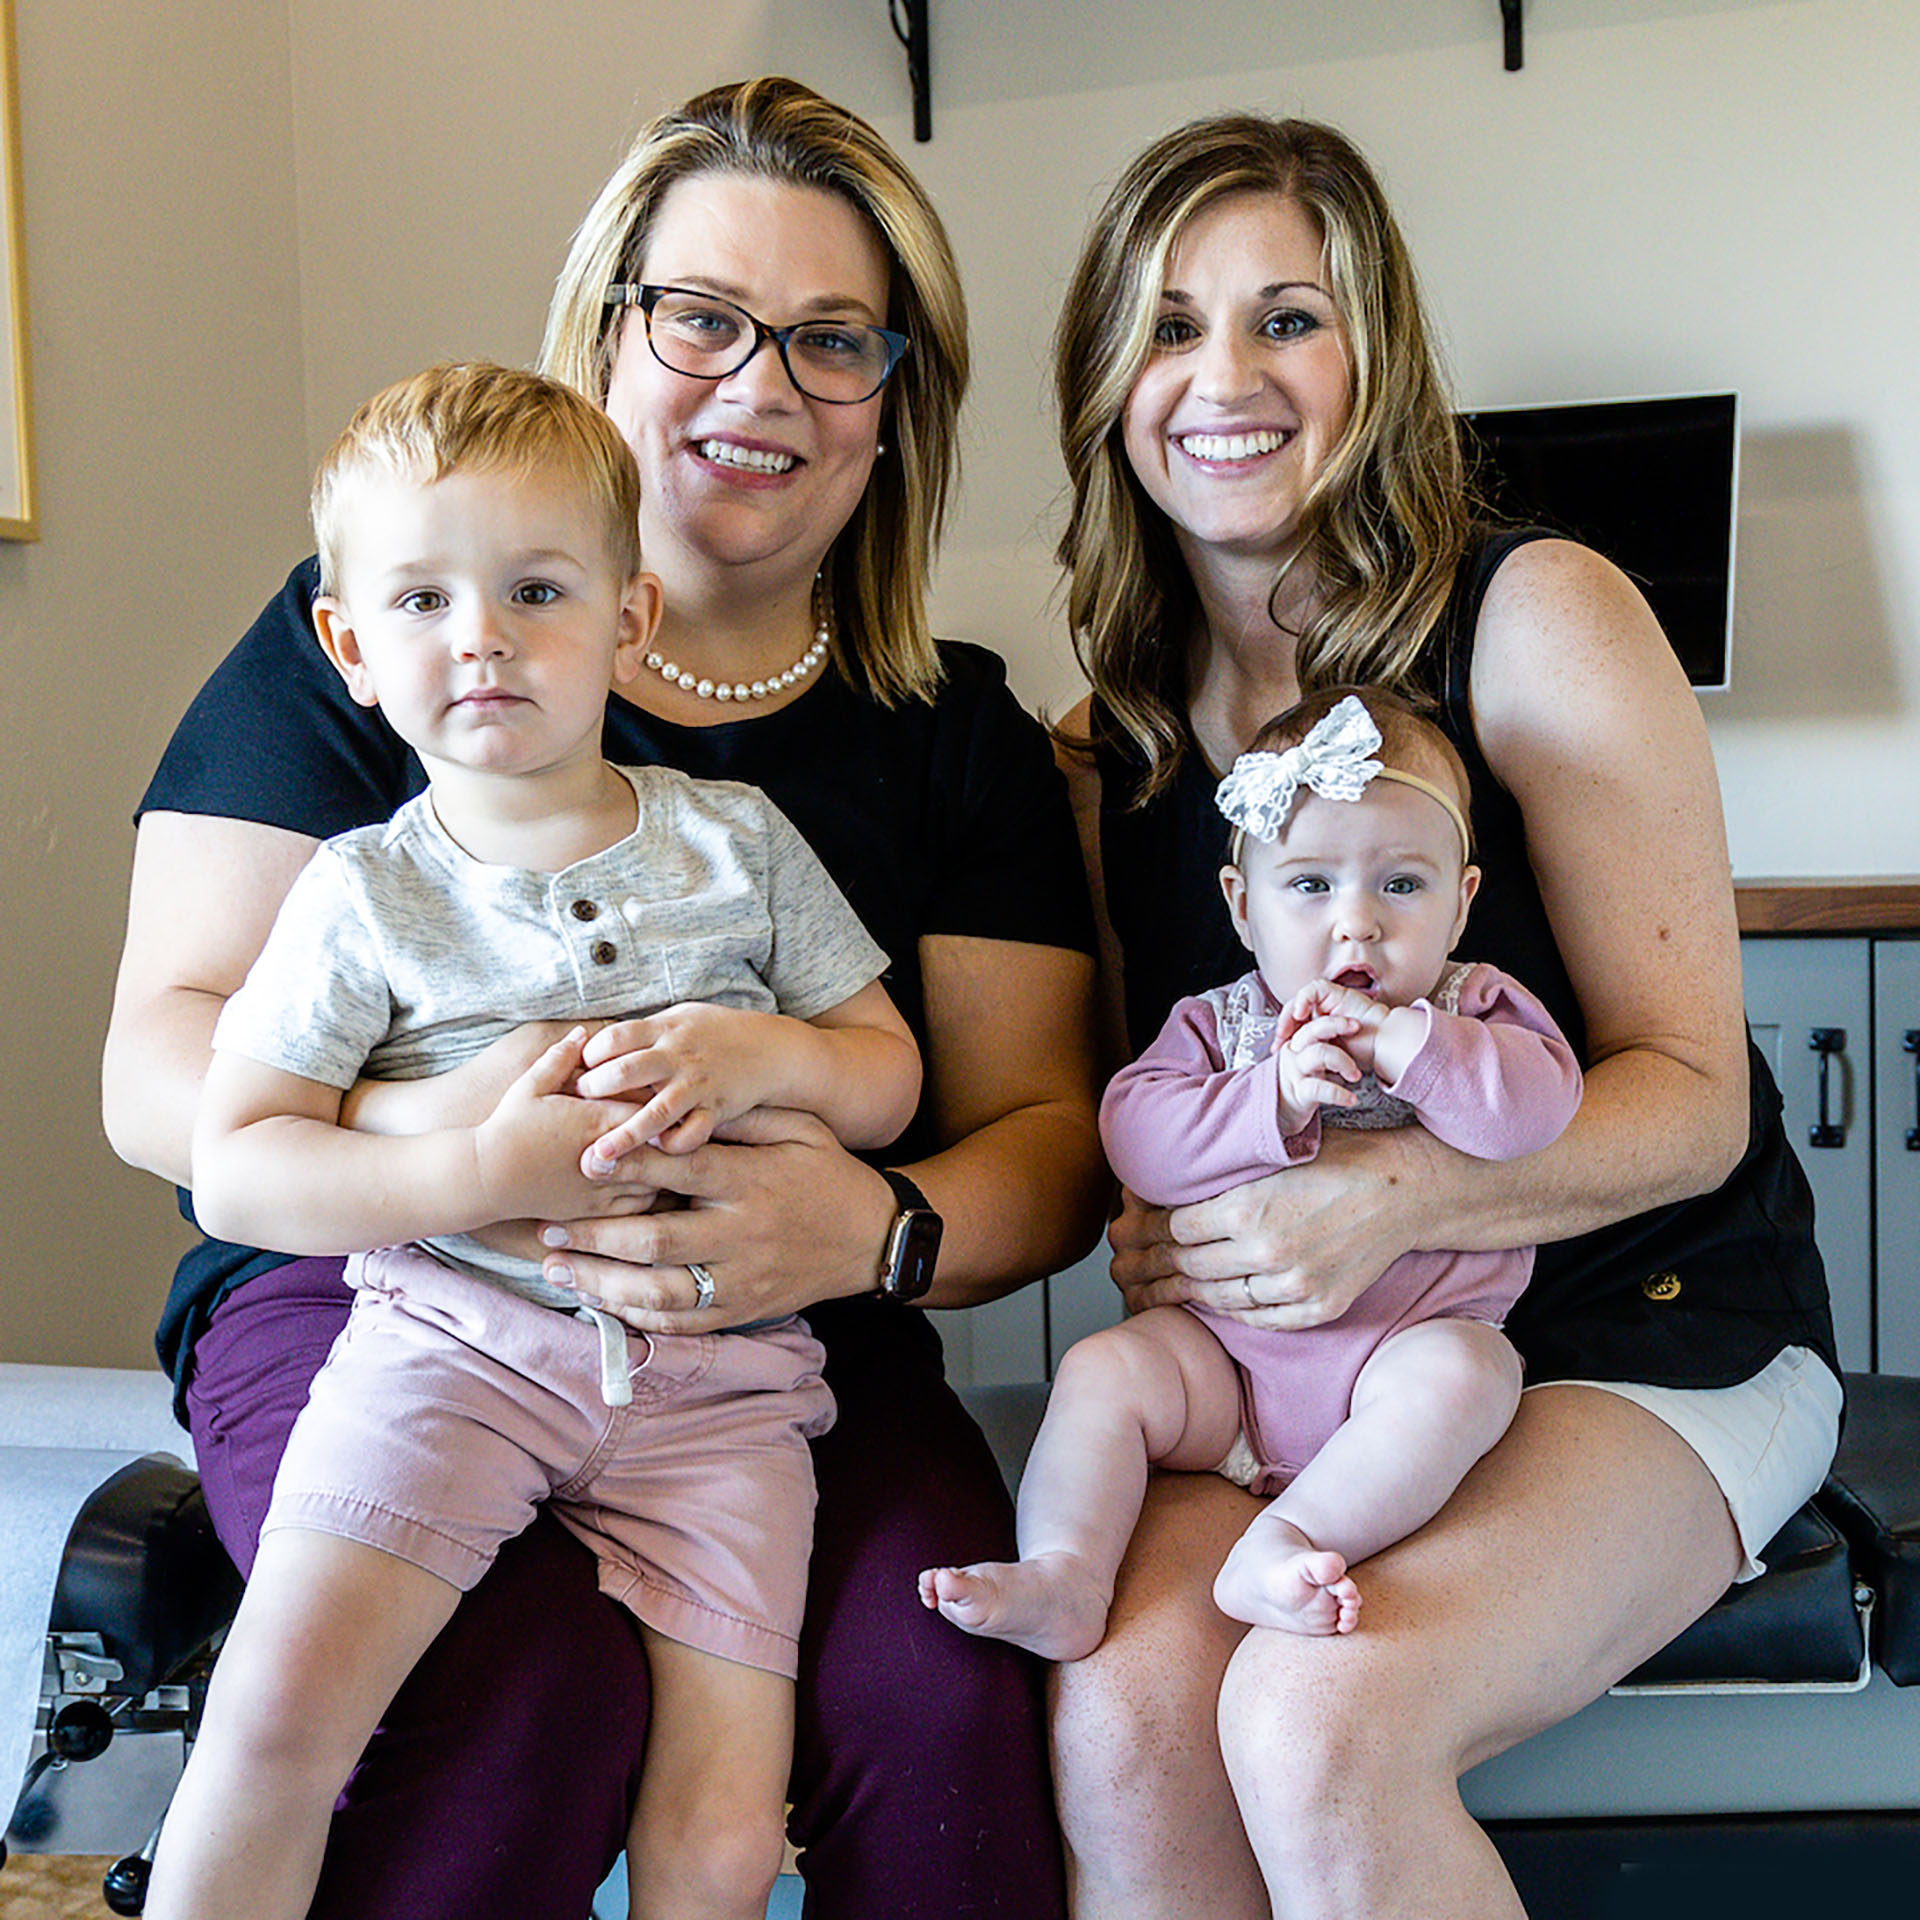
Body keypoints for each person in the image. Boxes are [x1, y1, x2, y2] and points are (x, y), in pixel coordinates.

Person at [102, 78, 1104, 1920]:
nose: (764, 383)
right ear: (610, 330)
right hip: (375, 1293)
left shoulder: (949, 730)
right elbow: (168, 1062)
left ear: (897, 405)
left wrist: (869, 1230)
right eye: (702, 318)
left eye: (833, 341)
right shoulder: (407, 629)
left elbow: (1045, 1139)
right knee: (512, 1687)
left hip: (779, 1339)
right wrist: (470, 1137)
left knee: (940, 1688)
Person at [1043, 114, 1843, 1917]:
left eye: (1288, 319)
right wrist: (1160, 1235)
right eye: (1168, 327)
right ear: (1106, 381)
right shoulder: (1112, 745)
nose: (1224, 377)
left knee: (1322, 1718)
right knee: (1124, 1713)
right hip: (1313, 1380)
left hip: (1647, 1330)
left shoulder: (1539, 617)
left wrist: (1393, 1203)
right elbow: (1161, 1110)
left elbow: (1699, 1101)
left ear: (1375, 356)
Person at [144, 360, 924, 1920]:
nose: (482, 635)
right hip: (449, 1350)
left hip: (725, 1391)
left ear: (630, 624)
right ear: (349, 649)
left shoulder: (738, 842)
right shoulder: (362, 893)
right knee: (282, 1722)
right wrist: (476, 1174)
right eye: (422, 601)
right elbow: (237, 1158)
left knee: (720, 1811)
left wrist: (762, 1051)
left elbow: (885, 1075)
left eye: (536, 589)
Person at [921, 688, 1579, 1653]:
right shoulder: (1220, 1024)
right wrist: (1267, 1097)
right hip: (1225, 1370)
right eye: (1310, 886)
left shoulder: (1475, 1008)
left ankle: (1289, 1540)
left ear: (1462, 900)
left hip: (1396, 1362)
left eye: (1401, 886)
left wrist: (1416, 1048)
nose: (1357, 927)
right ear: (1243, 905)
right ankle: (1066, 1573)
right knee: (1105, 1371)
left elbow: (1537, 1113)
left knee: (1470, 1376)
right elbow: (1134, 1134)